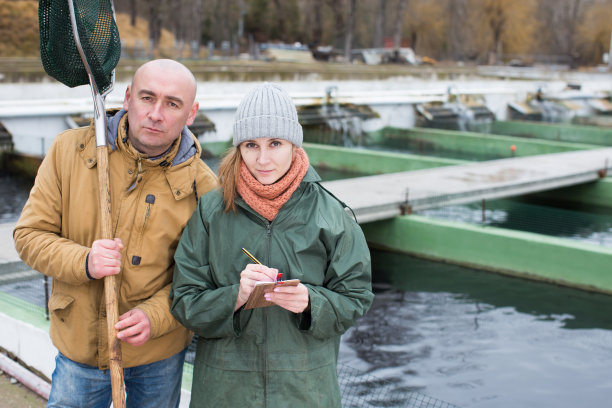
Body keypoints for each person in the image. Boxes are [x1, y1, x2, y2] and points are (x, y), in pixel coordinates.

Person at [13, 59, 217, 408]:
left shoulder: (205, 188)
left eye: (172, 103)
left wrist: (155, 316)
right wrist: (85, 261)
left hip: (158, 354)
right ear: (127, 98)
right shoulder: (69, 151)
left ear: (191, 112)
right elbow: (29, 236)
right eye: (147, 97)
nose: (155, 113)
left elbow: (205, 277)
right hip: (81, 350)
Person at [170, 82, 374, 407]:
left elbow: (357, 298)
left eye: (275, 143)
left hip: (305, 392)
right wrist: (234, 297)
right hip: (224, 392)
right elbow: (183, 302)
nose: (263, 159)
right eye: (251, 145)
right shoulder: (211, 211)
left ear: (294, 143)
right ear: (239, 148)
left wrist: (311, 301)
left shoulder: (332, 213)